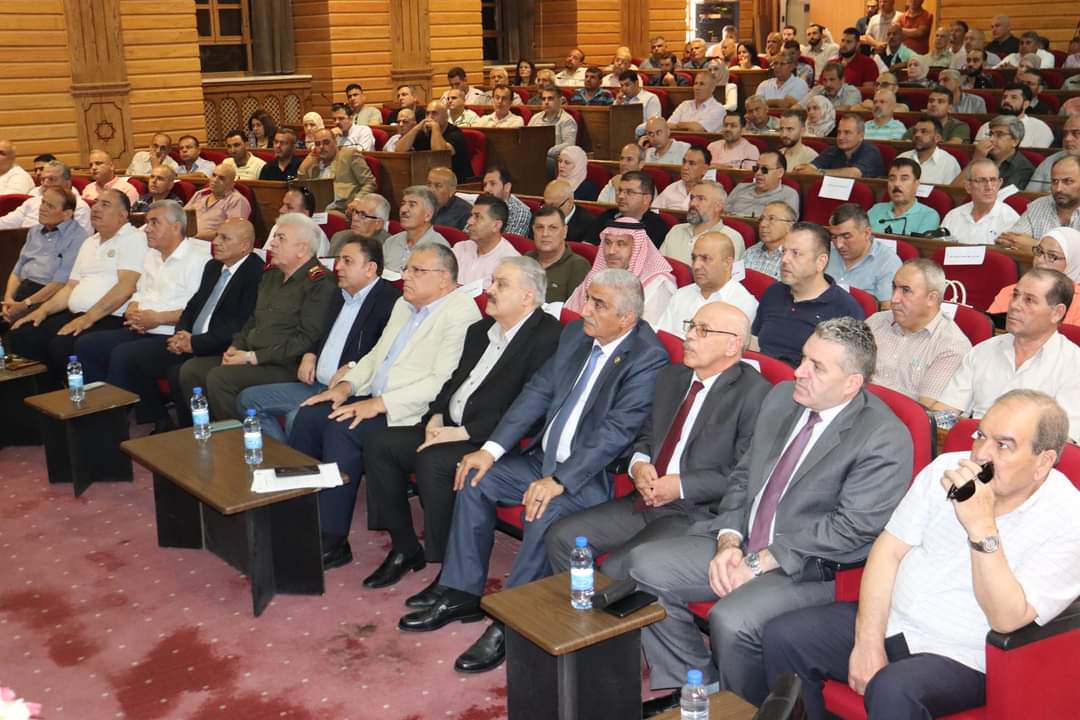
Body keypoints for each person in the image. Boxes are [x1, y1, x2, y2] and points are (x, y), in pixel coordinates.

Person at [634, 316, 912, 714]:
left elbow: (851, 529)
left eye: (817, 367)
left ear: (851, 383)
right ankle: (698, 683)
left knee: (732, 621)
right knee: (645, 566)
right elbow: (744, 475)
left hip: (813, 566)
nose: (799, 371)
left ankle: (753, 710)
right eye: (803, 358)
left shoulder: (883, 437)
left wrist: (759, 561)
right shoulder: (783, 398)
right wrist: (729, 538)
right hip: (746, 540)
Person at [399, 267, 668, 677]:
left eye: (598, 305)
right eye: (588, 299)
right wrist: (489, 451)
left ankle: (509, 623)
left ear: (626, 318)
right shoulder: (577, 335)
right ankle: (460, 590)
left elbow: (615, 433)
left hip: (587, 477)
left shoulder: (647, 356)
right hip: (541, 460)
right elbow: (536, 393)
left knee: (544, 509)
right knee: (474, 476)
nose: (585, 310)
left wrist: (559, 481)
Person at [763, 389, 1080, 720]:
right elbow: (889, 549)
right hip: (895, 620)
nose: (981, 454)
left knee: (894, 689)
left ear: (1043, 462)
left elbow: (1007, 619)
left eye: (1003, 445)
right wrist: (868, 640)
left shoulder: (1070, 520)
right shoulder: (946, 467)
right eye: (981, 436)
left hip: (964, 655)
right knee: (784, 637)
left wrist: (982, 528)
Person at [363, 256, 561, 590]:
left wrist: (462, 432)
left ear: (527, 297)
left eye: (500, 284)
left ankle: (449, 570)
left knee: (434, 462)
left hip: (495, 440)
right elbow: (454, 381)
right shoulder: (480, 330)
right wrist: (436, 415)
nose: (489, 289)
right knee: (380, 443)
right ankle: (405, 547)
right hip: (451, 426)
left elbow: (528, 409)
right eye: (492, 281)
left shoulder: (548, 337)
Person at [551, 298, 768, 585]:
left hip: (695, 514)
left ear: (732, 345)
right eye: (691, 326)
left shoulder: (756, 395)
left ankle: (602, 613)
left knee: (617, 568)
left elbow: (743, 475)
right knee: (562, 537)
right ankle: (578, 611)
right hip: (646, 499)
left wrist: (680, 485)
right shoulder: (672, 376)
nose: (689, 336)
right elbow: (647, 434)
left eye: (703, 330)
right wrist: (639, 464)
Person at [290, 243, 481, 569]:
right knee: (310, 415)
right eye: (407, 269)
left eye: (417, 271)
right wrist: (346, 386)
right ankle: (297, 513)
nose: (406, 276)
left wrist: (379, 404)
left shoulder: (460, 314)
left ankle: (332, 538)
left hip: (412, 412)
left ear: (443, 279)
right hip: (376, 396)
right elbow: (376, 355)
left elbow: (441, 382)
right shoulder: (406, 305)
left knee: (343, 428)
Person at [237, 235, 399, 442]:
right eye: (338, 260)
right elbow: (316, 331)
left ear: (370, 268)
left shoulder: (390, 302)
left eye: (347, 261)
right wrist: (310, 353)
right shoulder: (336, 293)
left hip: (348, 391)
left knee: (297, 418)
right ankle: (282, 455)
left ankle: (291, 459)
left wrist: (353, 366)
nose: (338, 267)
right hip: (314, 383)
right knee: (248, 400)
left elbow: (385, 353)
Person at [178, 213, 337, 422]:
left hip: (285, 364)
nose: (272, 243)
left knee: (220, 378)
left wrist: (252, 357)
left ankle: (239, 435)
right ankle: (209, 429)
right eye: (274, 237)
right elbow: (253, 320)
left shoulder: (319, 283)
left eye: (281, 238)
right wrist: (235, 346)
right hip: (252, 355)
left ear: (302, 249)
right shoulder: (272, 275)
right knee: (192, 370)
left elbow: (307, 338)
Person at [108, 218, 263, 432]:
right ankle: (160, 419)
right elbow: (193, 306)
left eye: (224, 238)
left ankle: (191, 431)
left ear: (245, 245)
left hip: (221, 347)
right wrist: (181, 333)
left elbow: (238, 326)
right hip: (192, 340)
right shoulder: (214, 266)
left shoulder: (255, 273)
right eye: (216, 235)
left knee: (179, 372)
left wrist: (195, 343)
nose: (215, 242)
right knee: (131, 358)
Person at [8, 190, 147, 383]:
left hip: (110, 316)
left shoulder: (133, 239)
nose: (96, 208)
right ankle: (44, 394)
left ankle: (79, 394)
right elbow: (70, 287)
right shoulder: (90, 242)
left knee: (62, 344)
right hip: (79, 313)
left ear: (123, 215)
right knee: (24, 333)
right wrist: (42, 311)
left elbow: (126, 287)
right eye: (96, 203)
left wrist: (88, 318)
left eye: (105, 205)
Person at [929, 268, 1080, 441]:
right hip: (969, 449)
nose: (1014, 305)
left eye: (1029, 300)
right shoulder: (983, 351)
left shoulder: (1074, 366)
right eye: (1015, 295)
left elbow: (1065, 442)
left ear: (1057, 313)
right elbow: (944, 414)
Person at [71, 200, 210, 382]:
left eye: (154, 223)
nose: (147, 229)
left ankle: (133, 401)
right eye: (147, 222)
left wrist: (157, 318)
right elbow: (139, 293)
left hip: (171, 336)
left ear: (176, 227)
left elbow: (198, 311)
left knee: (123, 355)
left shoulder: (199, 260)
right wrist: (132, 309)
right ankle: (99, 398)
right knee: (87, 344)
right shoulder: (152, 255)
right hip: (141, 329)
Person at [752, 222, 865, 366]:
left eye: (796, 253)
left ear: (820, 262)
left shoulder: (846, 310)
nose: (784, 260)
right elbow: (756, 341)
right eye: (784, 251)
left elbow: (844, 369)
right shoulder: (774, 292)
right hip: (760, 374)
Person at [865, 259, 971, 406]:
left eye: (906, 290)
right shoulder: (876, 322)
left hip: (899, 418)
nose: (894, 298)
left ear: (931, 298)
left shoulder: (951, 347)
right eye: (894, 287)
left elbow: (924, 411)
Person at [1, 187, 89, 328]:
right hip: (22, 289)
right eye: (43, 202)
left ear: (67, 214)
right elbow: (17, 271)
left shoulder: (78, 237)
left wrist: (25, 304)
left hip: (47, 296)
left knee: (18, 329)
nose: (42, 208)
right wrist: (8, 298)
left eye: (50, 206)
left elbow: (59, 284)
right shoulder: (35, 231)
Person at [570, 218, 676, 326]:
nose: (611, 251)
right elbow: (569, 313)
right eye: (608, 243)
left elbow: (647, 330)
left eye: (621, 244)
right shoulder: (596, 275)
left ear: (638, 248)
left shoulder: (656, 284)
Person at [655, 233, 759, 336]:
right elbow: (662, 337)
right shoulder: (681, 295)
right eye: (694, 258)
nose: (696, 266)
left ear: (727, 263)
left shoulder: (743, 305)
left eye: (705, 258)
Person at [987, 229, 1080, 326]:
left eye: (1052, 256)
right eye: (1039, 251)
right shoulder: (1011, 292)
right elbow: (992, 330)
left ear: (1073, 262)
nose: (1040, 260)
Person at [998, 156, 1080, 251]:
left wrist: (1037, 245)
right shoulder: (1038, 205)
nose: (1058, 189)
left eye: (1068, 181)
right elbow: (1011, 240)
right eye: (1054, 181)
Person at [828, 203, 904, 304]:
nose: (839, 245)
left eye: (846, 237)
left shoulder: (888, 263)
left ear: (867, 233)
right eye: (834, 237)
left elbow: (886, 309)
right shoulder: (826, 250)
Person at [660, 181, 746, 262]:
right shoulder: (676, 230)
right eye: (692, 198)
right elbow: (659, 267)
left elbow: (728, 272)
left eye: (701, 199)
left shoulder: (732, 238)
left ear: (718, 206)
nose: (692, 203)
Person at [941, 159, 1020, 245]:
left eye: (993, 180)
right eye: (981, 181)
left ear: (999, 184)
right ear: (968, 186)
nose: (989, 187)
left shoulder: (1010, 219)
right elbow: (940, 248)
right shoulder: (953, 216)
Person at [297, 128, 378, 213]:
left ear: (335, 142)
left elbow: (370, 183)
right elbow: (303, 190)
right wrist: (303, 167)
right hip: (317, 209)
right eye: (317, 144)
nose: (321, 147)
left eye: (326, 142)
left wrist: (357, 200)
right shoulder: (313, 162)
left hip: (342, 209)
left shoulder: (349, 155)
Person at [526, 204, 590, 302]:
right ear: (533, 231)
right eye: (540, 227)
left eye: (553, 228)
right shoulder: (527, 259)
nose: (545, 234)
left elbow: (575, 308)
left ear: (565, 231)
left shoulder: (578, 266)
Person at [588, 171, 669, 248]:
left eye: (629, 192)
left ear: (646, 199)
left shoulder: (657, 227)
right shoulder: (607, 216)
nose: (621, 196)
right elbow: (588, 247)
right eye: (620, 190)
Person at [397, 101, 472, 183]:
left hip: (457, 182)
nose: (429, 117)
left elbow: (439, 155)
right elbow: (399, 151)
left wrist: (435, 128)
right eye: (427, 114)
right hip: (429, 181)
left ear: (446, 117)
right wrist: (416, 128)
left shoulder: (455, 133)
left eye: (434, 113)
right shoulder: (424, 132)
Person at [453, 195, 519, 287]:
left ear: (496, 226)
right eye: (471, 216)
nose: (469, 221)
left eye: (477, 217)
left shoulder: (510, 262)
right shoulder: (460, 248)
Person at [382, 186, 450, 274]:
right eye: (403, 204)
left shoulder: (439, 249)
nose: (403, 210)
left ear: (427, 216)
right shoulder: (391, 242)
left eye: (412, 205)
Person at [867, 159, 941, 236]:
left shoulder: (928, 215)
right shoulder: (876, 209)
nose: (896, 184)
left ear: (916, 184)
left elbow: (920, 243)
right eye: (892, 179)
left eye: (904, 179)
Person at [965, 115, 1035, 191]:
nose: (991, 139)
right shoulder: (982, 154)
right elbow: (958, 189)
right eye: (991, 134)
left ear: (1015, 141)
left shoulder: (1024, 169)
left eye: (999, 135)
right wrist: (976, 159)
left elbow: (996, 195)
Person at [801, 115, 885, 179]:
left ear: (861, 136)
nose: (841, 137)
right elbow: (809, 168)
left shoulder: (871, 151)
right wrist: (806, 169)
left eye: (847, 133)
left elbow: (853, 174)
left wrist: (819, 172)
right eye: (839, 132)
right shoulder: (832, 150)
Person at [974, 85, 1054, 149]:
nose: (1006, 101)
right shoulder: (986, 126)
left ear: (1026, 104)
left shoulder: (1040, 128)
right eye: (1004, 97)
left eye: (1014, 97)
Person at [183, 163, 251, 240]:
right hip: (187, 240)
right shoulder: (200, 194)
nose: (215, 180)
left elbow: (234, 232)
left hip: (213, 244)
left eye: (221, 178)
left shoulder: (237, 201)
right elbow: (182, 217)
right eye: (214, 175)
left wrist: (199, 236)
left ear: (232, 184)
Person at [726, 151, 800, 218]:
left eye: (765, 169)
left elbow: (786, 223)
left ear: (780, 172)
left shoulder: (789, 195)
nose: (758, 173)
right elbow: (723, 213)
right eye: (756, 168)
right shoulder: (741, 187)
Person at [897, 115, 962, 185]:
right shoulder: (902, 158)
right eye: (915, 131)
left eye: (924, 131)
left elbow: (951, 191)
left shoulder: (949, 163)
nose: (917, 135)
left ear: (937, 138)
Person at [1027, 115, 1080, 193]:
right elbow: (1030, 193)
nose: (1067, 139)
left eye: (1076, 133)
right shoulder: (1050, 161)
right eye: (1065, 134)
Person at [902, 85, 970, 144]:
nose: (933, 104)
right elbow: (904, 143)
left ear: (950, 108)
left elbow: (953, 145)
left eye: (940, 102)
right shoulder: (918, 126)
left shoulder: (959, 126)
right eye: (931, 101)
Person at [744, 202, 796, 279]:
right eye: (761, 219)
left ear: (790, 226)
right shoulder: (751, 252)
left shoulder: (796, 257)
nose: (762, 224)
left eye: (772, 219)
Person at [652, 146, 711, 212]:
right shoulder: (672, 188)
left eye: (692, 163)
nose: (685, 167)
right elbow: (654, 211)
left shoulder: (712, 193)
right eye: (684, 162)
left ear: (704, 169)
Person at [542, 178, 596, 244]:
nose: (548, 210)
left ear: (570, 201)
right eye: (546, 205)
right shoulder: (539, 217)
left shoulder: (589, 224)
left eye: (554, 206)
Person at [481, 166, 530, 237]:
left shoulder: (520, 211)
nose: (486, 189)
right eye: (485, 185)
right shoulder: (481, 205)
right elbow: (468, 233)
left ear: (507, 187)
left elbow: (510, 241)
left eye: (493, 184)